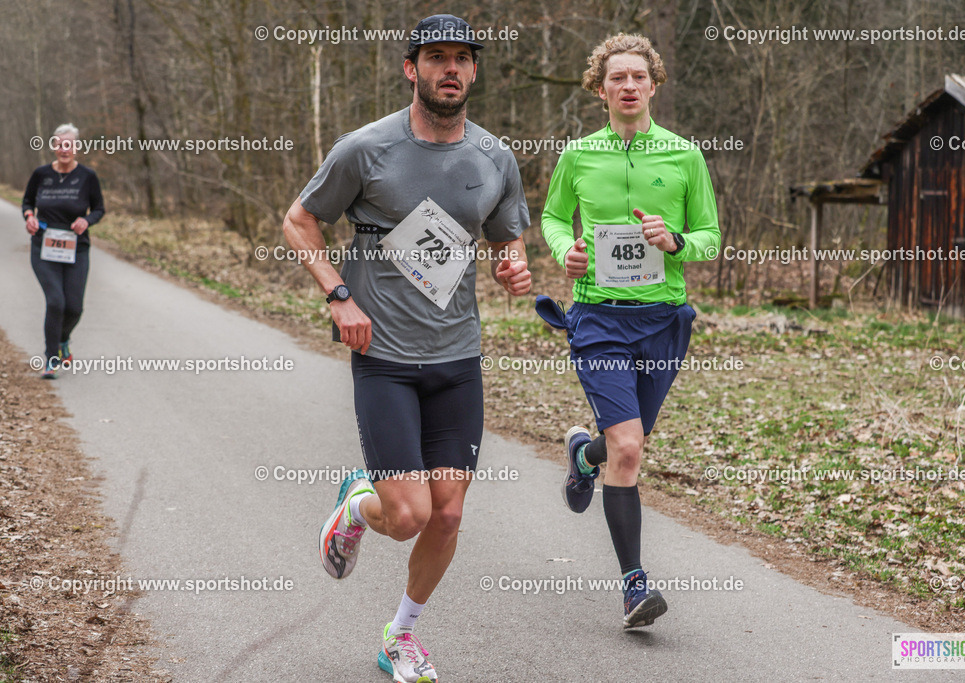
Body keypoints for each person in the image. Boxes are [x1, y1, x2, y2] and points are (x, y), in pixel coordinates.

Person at [281, 14, 531, 683]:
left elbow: (509, 237)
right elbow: (299, 220)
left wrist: (514, 266)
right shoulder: (365, 150)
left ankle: (401, 635)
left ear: (475, 70)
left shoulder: (494, 157)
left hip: (457, 358)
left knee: (446, 514)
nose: (450, 69)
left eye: (461, 58)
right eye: (435, 57)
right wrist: (339, 295)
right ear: (410, 68)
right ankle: (358, 505)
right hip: (385, 356)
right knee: (408, 514)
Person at [538, 33, 720, 629]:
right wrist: (567, 250)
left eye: (638, 76)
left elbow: (712, 238)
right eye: (617, 77)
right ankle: (634, 586)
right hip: (598, 317)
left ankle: (581, 456)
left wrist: (676, 242)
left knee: (623, 445)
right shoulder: (580, 155)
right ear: (600, 87)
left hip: (664, 320)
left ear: (654, 83)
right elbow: (552, 216)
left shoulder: (684, 155)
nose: (628, 86)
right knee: (631, 448)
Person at [22, 123, 105, 379]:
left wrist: (86, 221)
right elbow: (27, 201)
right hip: (44, 246)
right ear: (54, 147)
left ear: (76, 147)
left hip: (76, 249)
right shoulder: (41, 174)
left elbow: (99, 209)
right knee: (56, 301)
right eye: (59, 144)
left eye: (68, 144)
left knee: (75, 307)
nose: (63, 149)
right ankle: (51, 358)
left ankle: (63, 339)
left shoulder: (87, 177)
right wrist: (28, 217)